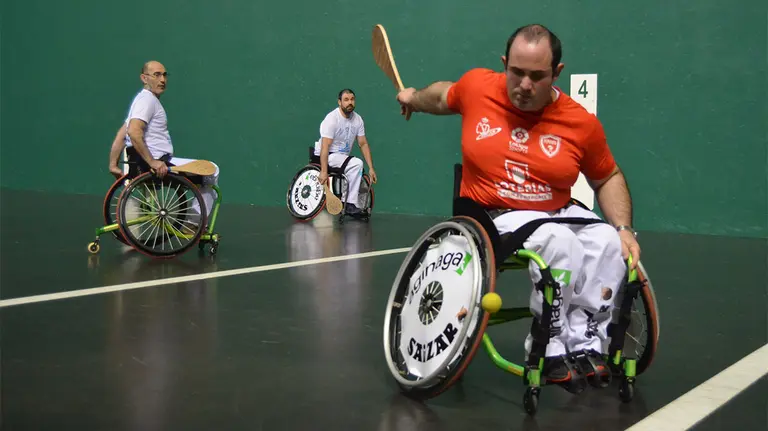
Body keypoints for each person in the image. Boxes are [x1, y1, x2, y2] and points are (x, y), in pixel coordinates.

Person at [395, 24, 641, 387]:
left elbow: (607, 177)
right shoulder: (478, 87)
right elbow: (443, 96)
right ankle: (548, 345)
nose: (525, 85)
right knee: (560, 242)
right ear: (504, 64)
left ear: (557, 73)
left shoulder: (580, 123)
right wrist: (413, 98)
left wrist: (623, 229)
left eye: (537, 76)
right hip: (493, 213)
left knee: (608, 243)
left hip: (555, 210)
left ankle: (585, 341)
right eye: (517, 72)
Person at [107, 60, 219, 226]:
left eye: (165, 75)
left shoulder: (141, 101)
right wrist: (153, 162)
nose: (162, 80)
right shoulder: (147, 101)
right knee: (211, 171)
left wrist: (113, 165)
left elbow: (122, 135)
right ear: (144, 78)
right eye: (157, 75)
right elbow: (134, 132)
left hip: (144, 163)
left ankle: (193, 224)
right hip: (157, 163)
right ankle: (193, 224)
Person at [314, 89, 377, 215]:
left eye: (352, 99)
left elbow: (363, 144)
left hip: (342, 158)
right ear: (339, 102)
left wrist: (371, 168)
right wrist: (324, 171)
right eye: (346, 100)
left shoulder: (358, 120)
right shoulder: (332, 119)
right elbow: (325, 146)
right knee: (356, 163)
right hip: (327, 155)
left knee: (356, 167)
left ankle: (351, 202)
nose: (350, 102)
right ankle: (349, 203)